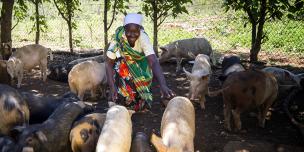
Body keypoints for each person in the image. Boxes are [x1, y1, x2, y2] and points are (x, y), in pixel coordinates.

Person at [105, 13, 175, 112]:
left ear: (140, 29)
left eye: (135, 31)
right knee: (119, 64)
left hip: (142, 68)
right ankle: (121, 95)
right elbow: (108, 63)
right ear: (124, 29)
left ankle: (139, 99)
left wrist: (163, 85)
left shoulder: (143, 38)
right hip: (124, 69)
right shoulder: (118, 38)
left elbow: (153, 62)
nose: (132, 35)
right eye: (129, 31)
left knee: (141, 104)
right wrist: (111, 87)